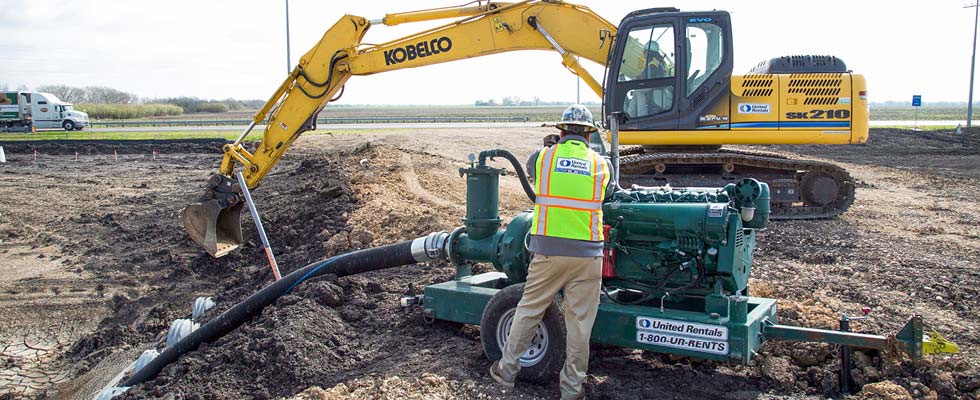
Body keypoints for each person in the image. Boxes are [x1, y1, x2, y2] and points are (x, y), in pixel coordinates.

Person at [489, 104, 611, 400]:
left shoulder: (543, 157)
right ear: (589, 134)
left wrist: (551, 149)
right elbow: (604, 193)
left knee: (529, 310)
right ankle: (571, 390)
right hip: (588, 256)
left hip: (548, 253)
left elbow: (533, 171)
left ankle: (506, 373)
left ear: (561, 131)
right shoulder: (600, 164)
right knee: (580, 325)